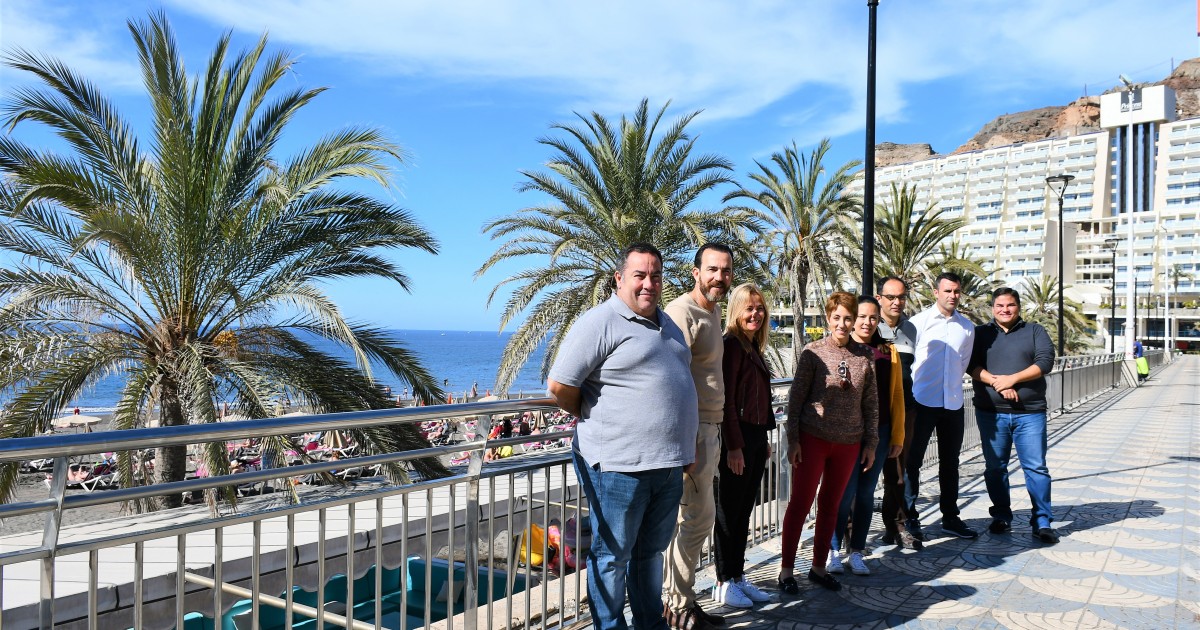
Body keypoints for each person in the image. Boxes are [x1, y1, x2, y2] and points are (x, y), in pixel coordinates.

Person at [547, 242, 698, 630]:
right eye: (640, 275)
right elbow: (560, 386)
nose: (649, 283)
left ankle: (650, 624)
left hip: (667, 466)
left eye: (656, 276)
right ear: (619, 279)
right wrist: (597, 416)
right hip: (616, 466)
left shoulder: (670, 325)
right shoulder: (600, 322)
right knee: (611, 556)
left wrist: (685, 446)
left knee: (650, 554)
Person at [778, 292, 878, 594]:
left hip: (849, 444)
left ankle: (819, 567)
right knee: (800, 504)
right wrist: (793, 440)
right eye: (837, 317)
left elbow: (871, 403)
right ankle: (786, 571)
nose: (843, 323)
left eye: (849, 318)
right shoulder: (813, 352)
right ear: (828, 317)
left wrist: (871, 443)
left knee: (831, 506)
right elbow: (795, 400)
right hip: (813, 440)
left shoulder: (865, 356)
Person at [663, 243, 734, 629]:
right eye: (712, 270)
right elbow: (674, 381)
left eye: (725, 271)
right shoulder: (681, 312)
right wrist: (686, 439)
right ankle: (677, 605)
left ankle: (680, 600)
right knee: (697, 519)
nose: (718, 277)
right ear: (695, 271)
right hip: (695, 433)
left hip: (710, 428)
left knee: (696, 518)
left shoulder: (713, 309)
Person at [968, 288, 1060, 544]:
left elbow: (1045, 362)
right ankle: (1001, 515)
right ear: (992, 307)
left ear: (1018, 307)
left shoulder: (1035, 331)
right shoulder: (981, 333)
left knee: (1036, 468)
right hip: (991, 414)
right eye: (999, 305)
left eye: (1010, 305)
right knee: (995, 468)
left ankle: (1042, 521)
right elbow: (969, 364)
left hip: (1030, 414)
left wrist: (1013, 379)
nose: (1004, 310)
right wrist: (999, 384)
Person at [828, 296, 904, 576]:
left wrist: (897, 435)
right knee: (843, 493)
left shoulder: (887, 351)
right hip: (847, 434)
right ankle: (832, 549)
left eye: (874, 317)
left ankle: (856, 551)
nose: (867, 322)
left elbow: (896, 394)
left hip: (880, 432)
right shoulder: (841, 350)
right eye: (861, 316)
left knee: (866, 494)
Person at [711, 283, 776, 609]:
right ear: (736, 310)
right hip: (735, 442)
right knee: (728, 514)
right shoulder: (732, 346)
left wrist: (762, 438)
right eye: (749, 308)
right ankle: (723, 582)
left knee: (743, 513)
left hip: (753, 439)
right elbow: (727, 403)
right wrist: (735, 447)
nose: (755, 314)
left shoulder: (751, 346)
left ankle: (737, 576)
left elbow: (757, 400)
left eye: (759, 308)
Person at [903, 272, 978, 541]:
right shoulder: (918, 323)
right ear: (936, 293)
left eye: (956, 291)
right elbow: (907, 361)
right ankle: (909, 518)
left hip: (953, 404)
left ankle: (950, 517)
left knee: (950, 463)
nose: (952, 296)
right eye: (947, 291)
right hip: (922, 402)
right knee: (913, 462)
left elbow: (963, 362)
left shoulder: (967, 327)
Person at [874, 276, 922, 550]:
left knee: (899, 475)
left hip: (905, 412)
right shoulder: (869, 327)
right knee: (863, 475)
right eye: (891, 297)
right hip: (873, 414)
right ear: (879, 298)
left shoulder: (911, 329)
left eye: (901, 297)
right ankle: (850, 537)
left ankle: (897, 526)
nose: (897, 302)